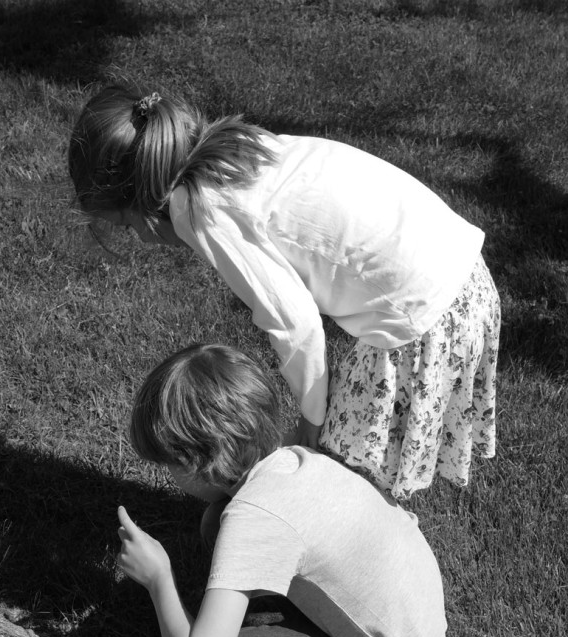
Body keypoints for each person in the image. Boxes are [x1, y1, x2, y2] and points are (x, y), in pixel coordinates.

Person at [70, 83, 501, 499]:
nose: (139, 240)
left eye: (127, 225)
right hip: (460, 269)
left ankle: (352, 552)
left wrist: (312, 417)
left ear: (143, 201)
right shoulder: (233, 146)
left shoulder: (200, 208)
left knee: (342, 464)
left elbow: (294, 324)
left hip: (422, 311)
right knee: (357, 451)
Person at [116, 342, 450, 637]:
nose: (168, 478)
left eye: (170, 464)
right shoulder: (294, 462)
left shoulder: (254, 518)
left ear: (202, 459)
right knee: (214, 525)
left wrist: (159, 577)